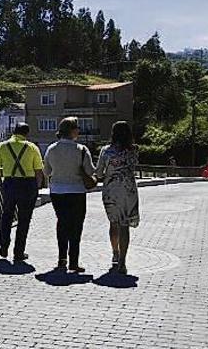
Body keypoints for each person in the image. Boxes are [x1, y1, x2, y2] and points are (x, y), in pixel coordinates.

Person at [43, 117, 95, 272]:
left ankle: (61, 259)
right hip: (77, 191)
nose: (79, 130)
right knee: (76, 227)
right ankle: (74, 261)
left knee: (62, 224)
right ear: (73, 131)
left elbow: (47, 171)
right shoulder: (81, 150)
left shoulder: (51, 149)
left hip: (57, 192)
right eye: (77, 128)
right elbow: (91, 171)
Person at [0, 122, 44, 261]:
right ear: (26, 134)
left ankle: (3, 246)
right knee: (24, 219)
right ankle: (18, 252)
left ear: (14, 132)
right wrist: (36, 188)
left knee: (6, 216)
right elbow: (39, 171)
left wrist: (0, 183)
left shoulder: (3, 146)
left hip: (9, 183)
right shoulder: (32, 147)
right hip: (27, 184)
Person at [96, 121, 140, 275]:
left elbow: (99, 173)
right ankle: (123, 261)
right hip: (128, 191)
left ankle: (115, 252)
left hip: (111, 191)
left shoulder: (106, 151)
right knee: (125, 225)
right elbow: (133, 167)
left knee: (114, 223)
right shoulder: (133, 150)